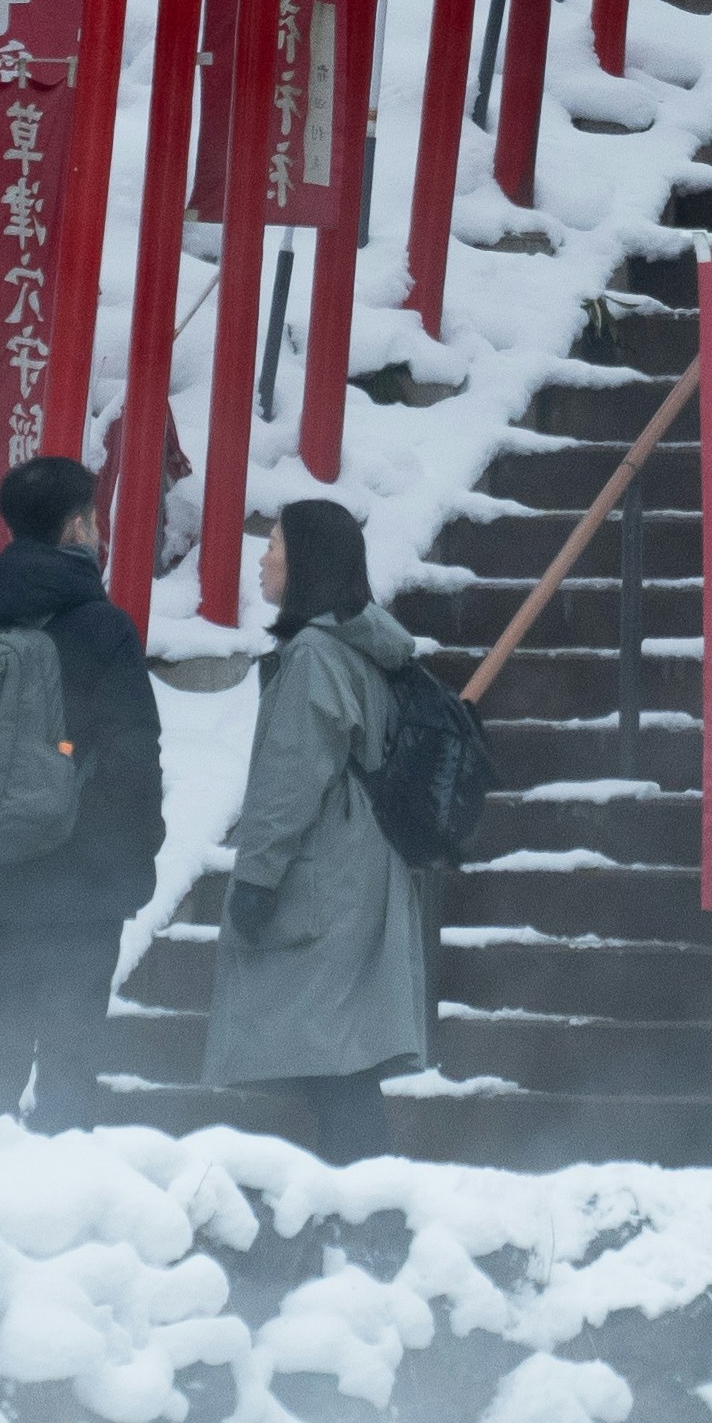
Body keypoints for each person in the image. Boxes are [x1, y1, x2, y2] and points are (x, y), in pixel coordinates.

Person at [202, 497, 435, 1161]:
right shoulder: (364, 648)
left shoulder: (312, 656)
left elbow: (287, 780)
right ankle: (361, 1210)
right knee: (343, 1057)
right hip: (363, 863)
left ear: (303, 562)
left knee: (331, 1062)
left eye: (274, 545)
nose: (263, 559)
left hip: (325, 869)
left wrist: (254, 879)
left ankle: (360, 1214)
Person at [0, 457, 162, 1136]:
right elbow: (134, 757)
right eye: (95, 517)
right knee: (69, 1056)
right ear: (75, 527)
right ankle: (61, 1214)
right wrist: (137, 855)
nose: (100, 529)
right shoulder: (102, 629)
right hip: (81, 883)